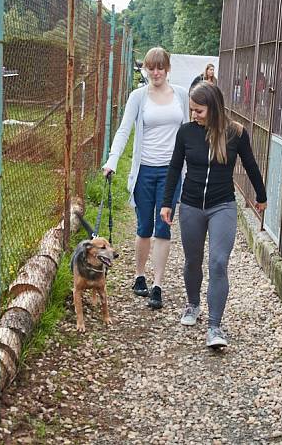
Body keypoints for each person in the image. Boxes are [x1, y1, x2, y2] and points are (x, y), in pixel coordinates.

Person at [160, 81, 267, 349]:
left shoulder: (236, 134)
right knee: (193, 260)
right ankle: (193, 305)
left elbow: (250, 164)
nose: (194, 115)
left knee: (218, 262)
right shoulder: (186, 133)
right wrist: (166, 203)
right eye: (192, 110)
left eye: (199, 110)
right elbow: (174, 168)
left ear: (214, 108)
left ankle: (215, 326)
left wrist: (261, 195)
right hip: (191, 205)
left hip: (223, 206)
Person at [102, 47, 187, 310]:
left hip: (171, 173)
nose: (156, 72)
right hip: (144, 171)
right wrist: (112, 161)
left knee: (164, 227)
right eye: (151, 67)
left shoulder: (181, 96)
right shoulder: (138, 97)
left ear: (168, 68)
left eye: (160, 67)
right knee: (144, 228)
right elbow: (124, 129)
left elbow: (192, 129)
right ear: (146, 69)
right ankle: (140, 275)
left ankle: (158, 285)